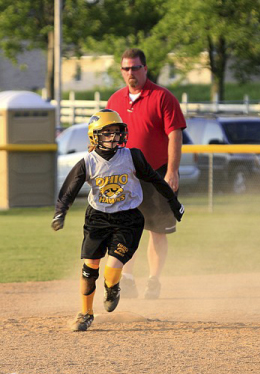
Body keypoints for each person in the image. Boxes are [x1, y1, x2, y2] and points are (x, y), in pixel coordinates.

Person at [51, 109, 184, 332]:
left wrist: (173, 203)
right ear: (95, 136)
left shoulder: (132, 156)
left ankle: (112, 287)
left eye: (116, 132)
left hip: (128, 218)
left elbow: (155, 180)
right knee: (89, 267)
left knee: (112, 269)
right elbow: (69, 191)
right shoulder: (88, 162)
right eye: (107, 133)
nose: (113, 137)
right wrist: (60, 213)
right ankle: (86, 313)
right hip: (97, 218)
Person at [106, 48, 186, 300]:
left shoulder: (162, 97)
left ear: (145, 69)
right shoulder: (115, 100)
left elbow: (175, 135)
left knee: (157, 230)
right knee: (125, 229)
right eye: (126, 68)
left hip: (157, 174)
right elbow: (107, 137)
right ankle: (127, 279)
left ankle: (154, 280)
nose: (131, 73)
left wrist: (172, 171)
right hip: (125, 175)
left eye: (136, 67)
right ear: (121, 71)